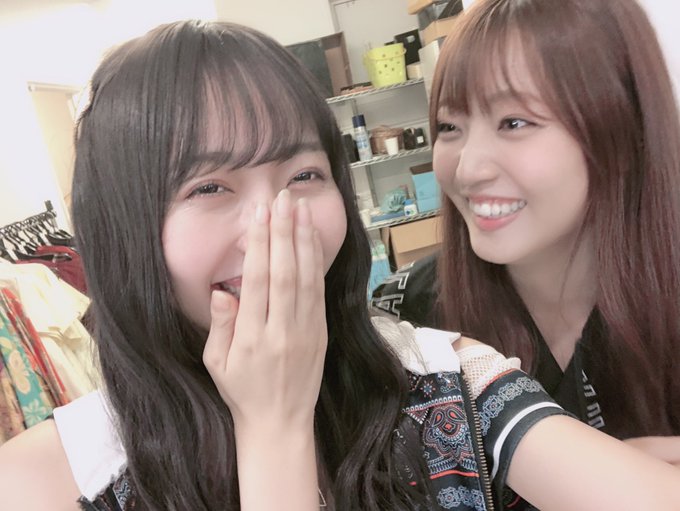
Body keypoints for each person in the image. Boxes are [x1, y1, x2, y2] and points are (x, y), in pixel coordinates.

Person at [0, 19, 678, 511]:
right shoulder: (46, 478)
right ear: (122, 229)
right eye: (209, 187)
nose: (276, 227)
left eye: (304, 175)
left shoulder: (443, 376)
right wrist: (273, 429)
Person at [372, 0, 680, 466]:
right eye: (450, 127)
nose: (468, 169)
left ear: (621, 127)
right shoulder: (409, 319)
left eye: (514, 123)